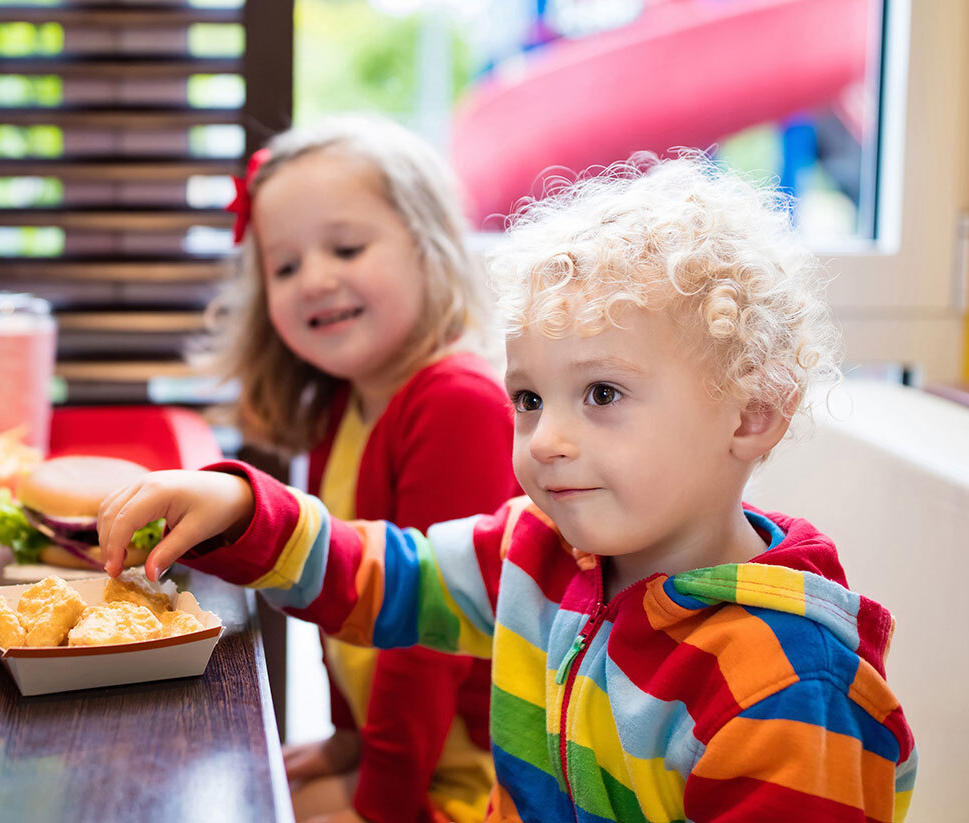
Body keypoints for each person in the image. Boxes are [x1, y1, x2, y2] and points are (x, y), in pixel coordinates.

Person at [101, 153, 918, 822]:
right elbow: (392, 576)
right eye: (529, 398)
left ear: (751, 416)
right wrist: (245, 509)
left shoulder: (788, 692)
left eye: (601, 394)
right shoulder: (537, 551)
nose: (547, 439)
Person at [203, 115, 521, 823]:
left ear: (427, 247)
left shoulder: (458, 403)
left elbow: (425, 636)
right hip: (409, 757)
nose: (314, 278)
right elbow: (340, 598)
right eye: (283, 265)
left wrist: (382, 801)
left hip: (481, 782)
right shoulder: (341, 404)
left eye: (346, 247)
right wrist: (352, 742)